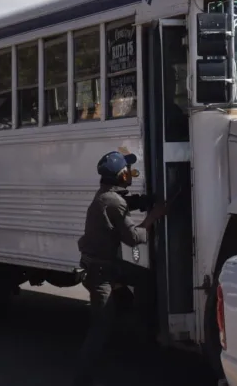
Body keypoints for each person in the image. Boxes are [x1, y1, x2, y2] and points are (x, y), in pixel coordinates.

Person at [73, 151, 166, 386]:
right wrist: (153, 217)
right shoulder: (113, 202)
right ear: (120, 175)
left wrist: (143, 201)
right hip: (100, 272)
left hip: (105, 265)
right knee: (101, 327)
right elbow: (134, 238)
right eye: (127, 170)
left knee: (144, 279)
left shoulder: (106, 196)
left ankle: (137, 324)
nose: (130, 173)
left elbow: (123, 203)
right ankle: (81, 380)